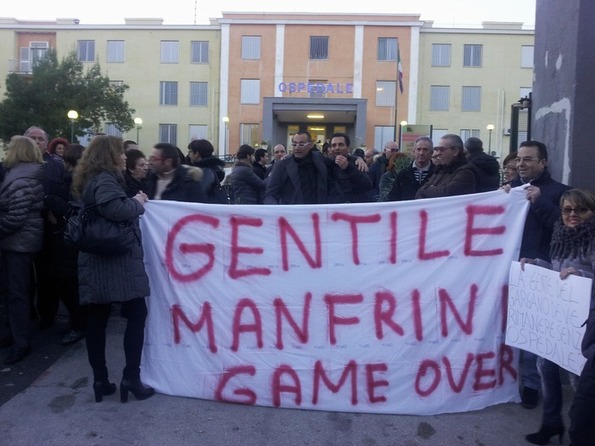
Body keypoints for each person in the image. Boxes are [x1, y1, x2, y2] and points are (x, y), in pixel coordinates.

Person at [71, 135, 154, 403]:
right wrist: (137, 203)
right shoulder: (106, 179)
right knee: (137, 313)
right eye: (120, 153)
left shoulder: (90, 178)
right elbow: (115, 209)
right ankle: (131, 377)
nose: (124, 157)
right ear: (110, 156)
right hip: (116, 260)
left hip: (97, 259)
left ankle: (100, 380)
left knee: (97, 318)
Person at [519, 189, 595, 445]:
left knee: (579, 381)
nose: (572, 215)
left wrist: (583, 279)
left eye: (579, 210)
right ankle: (552, 423)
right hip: (561, 317)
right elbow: (557, 272)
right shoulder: (561, 236)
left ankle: (581, 430)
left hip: (587, 323)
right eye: (567, 210)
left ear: (590, 212)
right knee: (545, 366)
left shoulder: (592, 240)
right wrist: (536, 265)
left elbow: (583, 277)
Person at [501, 140, 571, 409]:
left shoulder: (561, 193)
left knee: (533, 330)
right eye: (519, 159)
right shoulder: (511, 190)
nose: (521, 164)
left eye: (528, 159)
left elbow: (563, 227)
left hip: (540, 269)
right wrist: (502, 198)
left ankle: (531, 384)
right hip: (510, 267)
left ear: (543, 162)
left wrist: (538, 201)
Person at [0, 136, 45, 364]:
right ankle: (14, 334)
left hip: (19, 241)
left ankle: (21, 342)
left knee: (17, 292)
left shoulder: (23, 178)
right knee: (11, 290)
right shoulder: (20, 175)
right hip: (16, 240)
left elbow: (15, 218)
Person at [43, 143, 88, 346]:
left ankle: (79, 324)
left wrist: (50, 200)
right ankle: (77, 321)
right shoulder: (77, 181)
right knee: (68, 283)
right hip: (70, 240)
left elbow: (73, 210)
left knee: (68, 284)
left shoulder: (75, 182)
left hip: (69, 240)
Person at [415, 134, 477, 198]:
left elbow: (447, 193)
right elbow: (418, 193)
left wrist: (427, 190)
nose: (438, 153)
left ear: (455, 151)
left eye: (442, 149)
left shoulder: (466, 172)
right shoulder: (440, 169)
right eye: (437, 149)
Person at [386, 136, 436, 202]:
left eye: (425, 149)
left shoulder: (438, 174)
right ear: (413, 151)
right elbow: (392, 199)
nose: (421, 153)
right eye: (418, 149)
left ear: (431, 153)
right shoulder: (403, 174)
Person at [327, 132, 373, 203]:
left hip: (353, 209)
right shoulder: (325, 164)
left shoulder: (357, 163)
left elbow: (367, 185)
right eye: (334, 145)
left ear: (348, 148)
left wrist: (348, 168)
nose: (337, 148)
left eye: (341, 145)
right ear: (330, 149)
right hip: (333, 210)